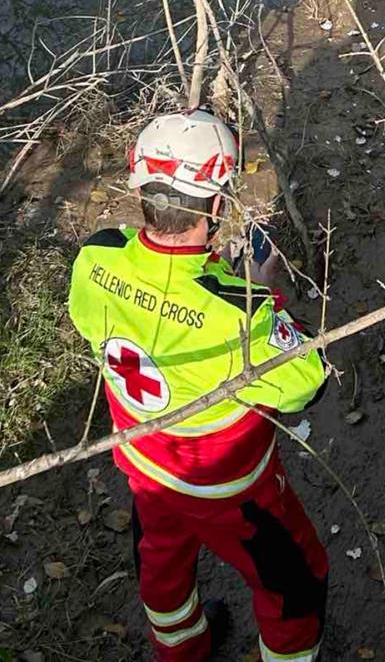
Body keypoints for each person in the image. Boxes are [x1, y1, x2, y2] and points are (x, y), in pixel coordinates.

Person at [68, 108, 328, 662]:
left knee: (161, 572)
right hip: (232, 495)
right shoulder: (237, 312)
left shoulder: (95, 258)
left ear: (141, 190)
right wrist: (268, 297)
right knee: (295, 585)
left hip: (144, 473)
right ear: (215, 205)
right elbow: (307, 382)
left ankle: (184, 650)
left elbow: (93, 325)